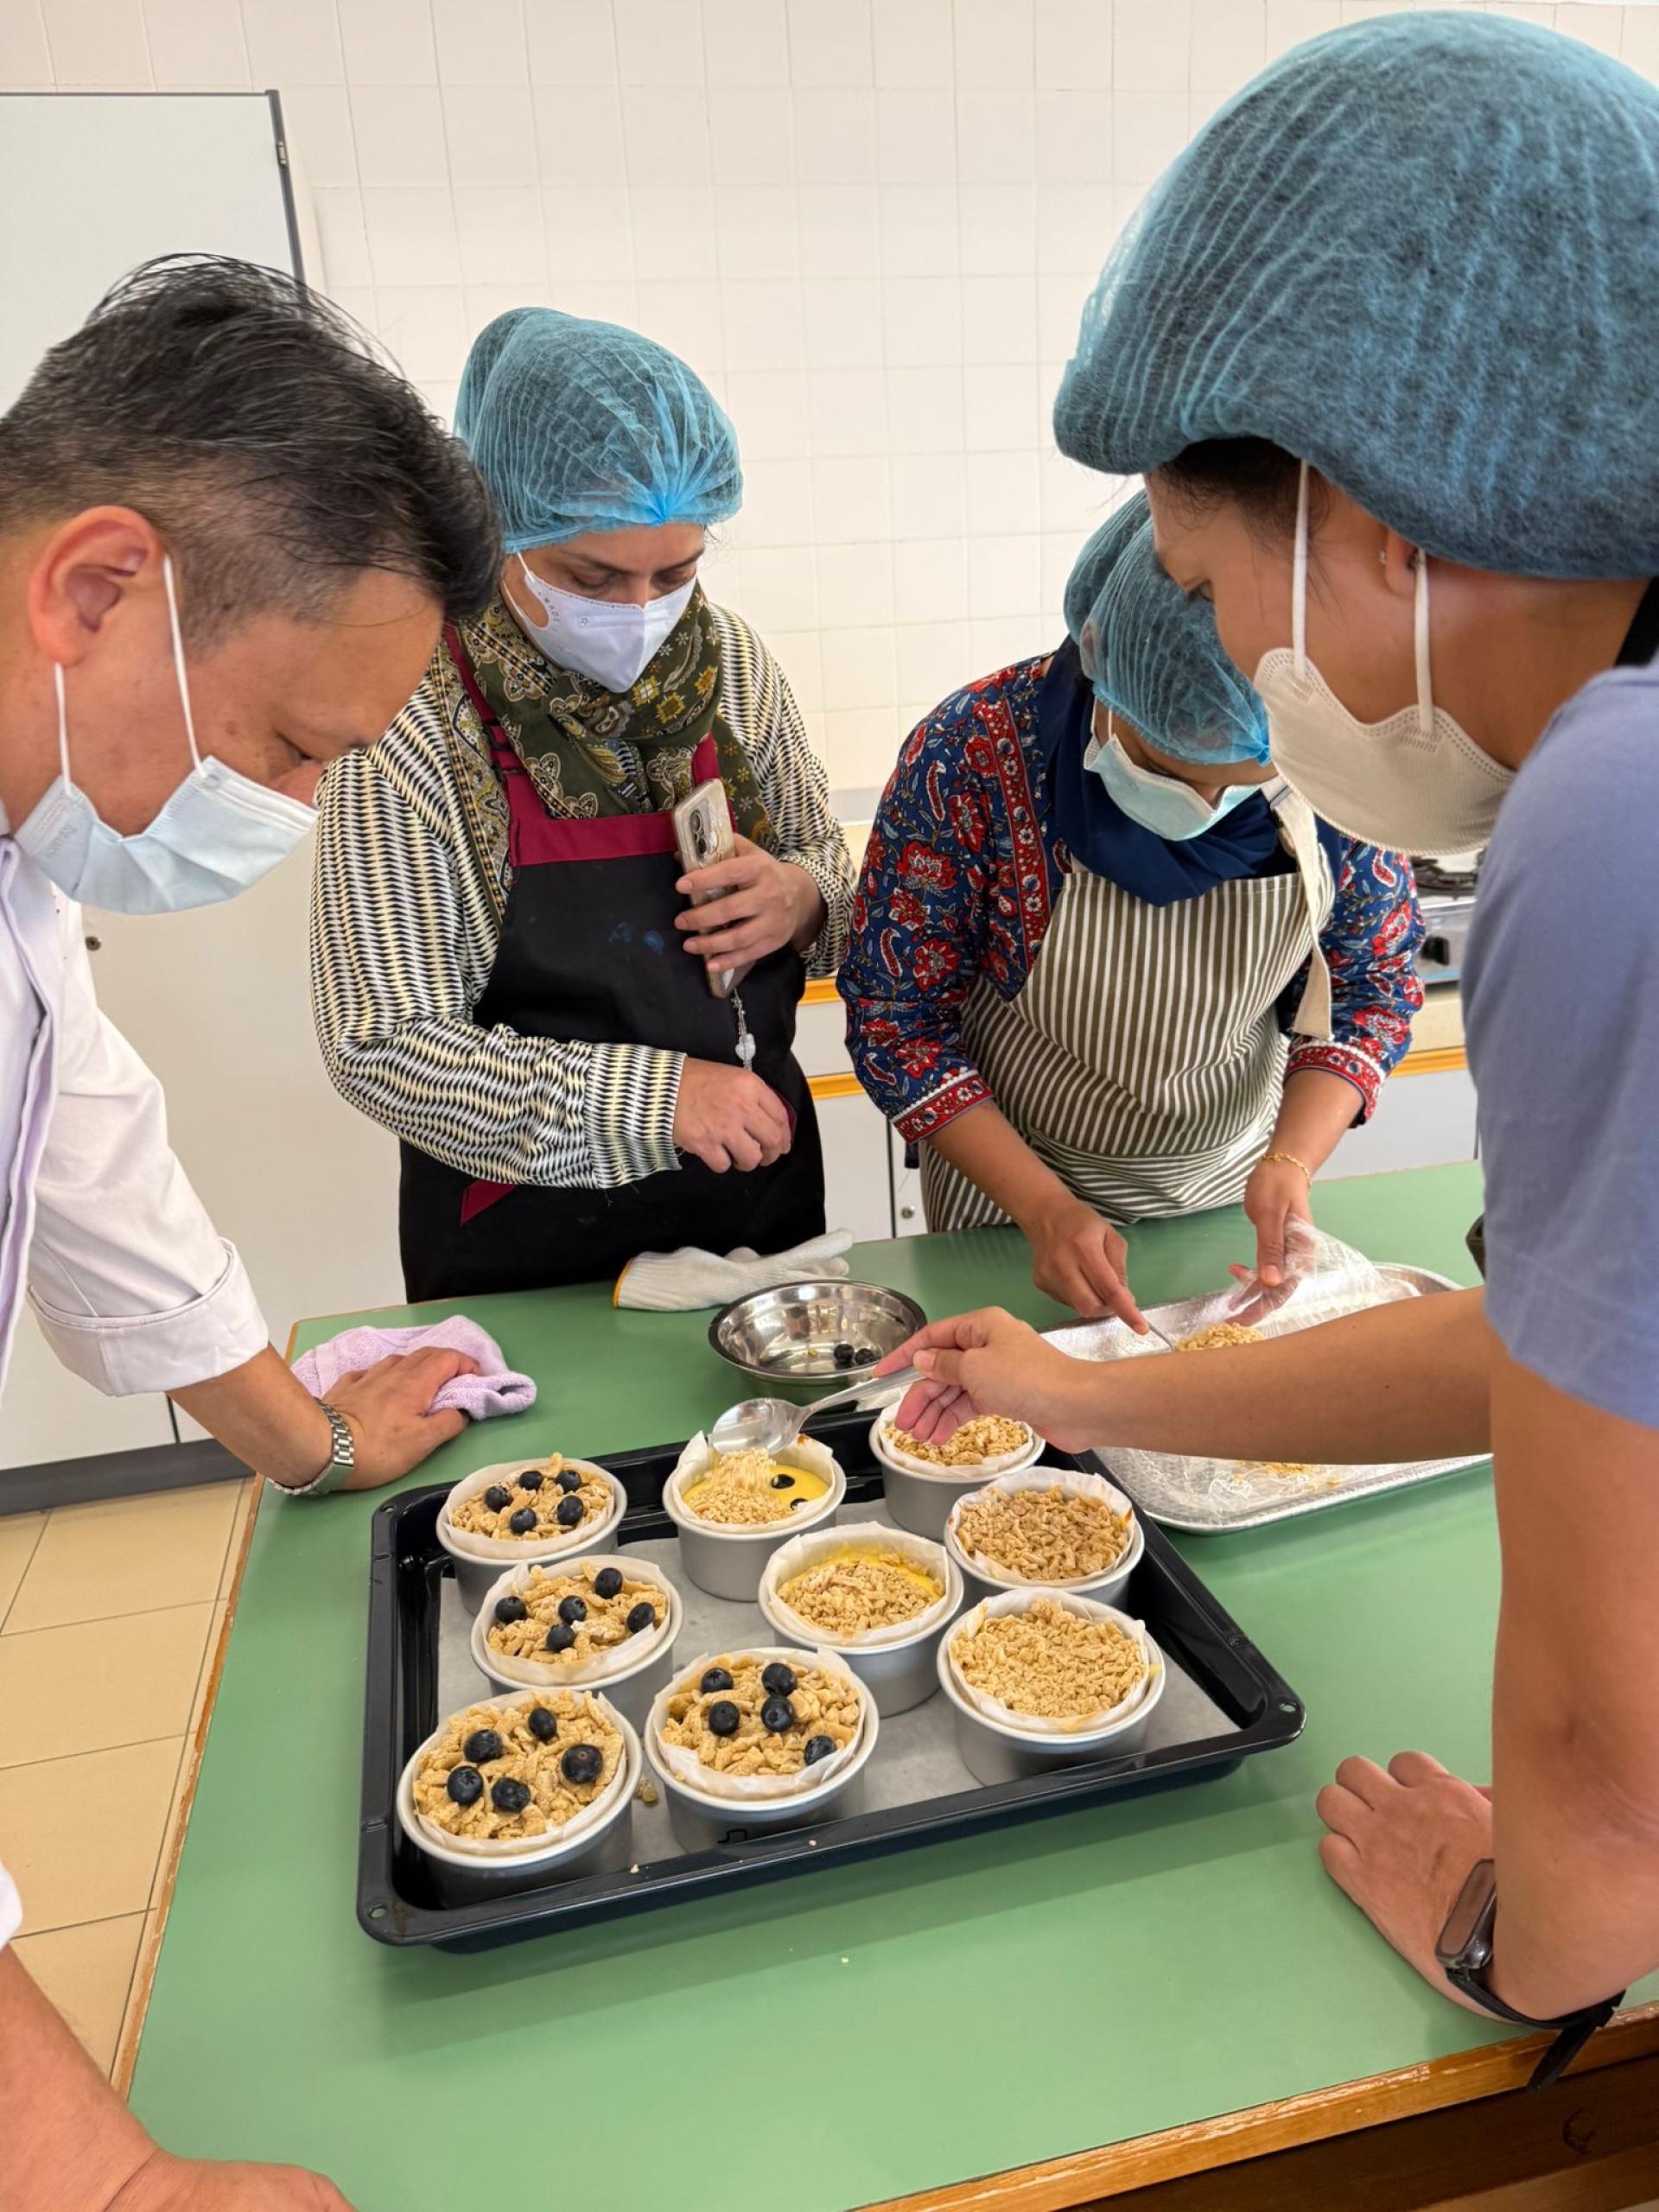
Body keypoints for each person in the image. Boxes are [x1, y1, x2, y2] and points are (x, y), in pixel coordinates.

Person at [887, 10, 1659, 2074]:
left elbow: (1610, 1738)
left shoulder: (1615, 810)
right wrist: (1079, 1385)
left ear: (1375, 516)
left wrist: (1515, 1931)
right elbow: (1554, 1355)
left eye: (1215, 581)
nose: (1236, 658)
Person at [0, 258, 503, 2205]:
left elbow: (89, 1162)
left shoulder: (24, 866)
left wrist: (306, 1439)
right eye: (292, 744)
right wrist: (100, 2178)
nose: (291, 806)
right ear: (97, 589)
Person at [311, 309, 853, 1302]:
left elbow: (830, 865)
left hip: (757, 1211)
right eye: (592, 578)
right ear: (499, 529)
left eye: (676, 574)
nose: (640, 613)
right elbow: (381, 1042)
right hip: (526, 1247)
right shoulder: (412, 711)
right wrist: (650, 1099)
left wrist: (802, 896)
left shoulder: (730, 665)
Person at [841, 493, 1421, 1322]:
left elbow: (1370, 990)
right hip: (1009, 1196)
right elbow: (898, 1020)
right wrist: (1044, 1208)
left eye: (1242, 785)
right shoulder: (974, 752)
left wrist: (1291, 1160)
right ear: (1101, 664)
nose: (1204, 805)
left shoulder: (1338, 769)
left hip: (1231, 1191)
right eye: (1170, 767)